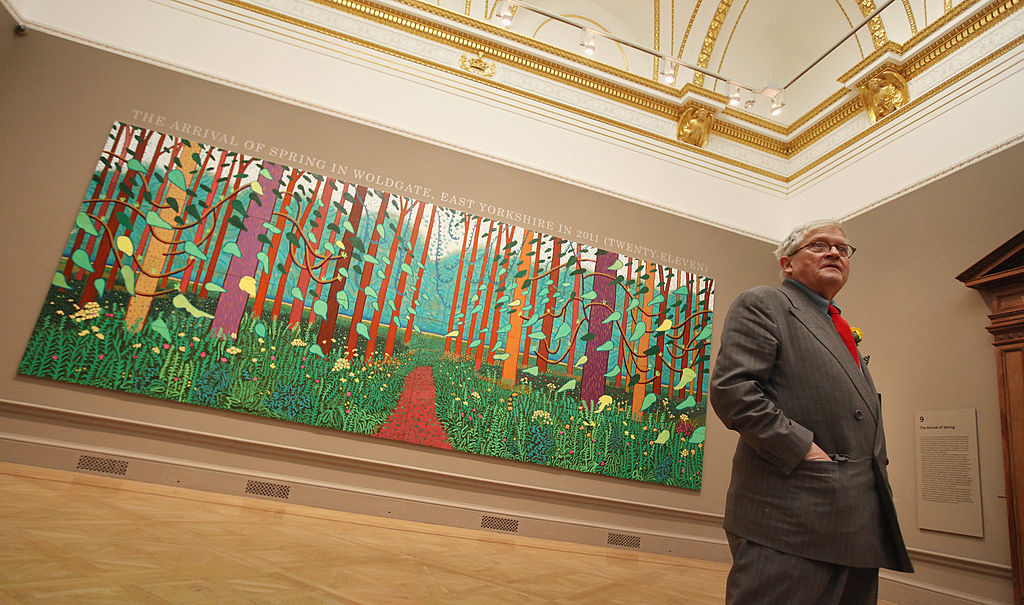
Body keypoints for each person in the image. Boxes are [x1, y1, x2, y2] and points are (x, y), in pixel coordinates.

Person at [710, 219, 913, 604]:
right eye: (819, 245)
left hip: (858, 523)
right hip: (790, 519)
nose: (835, 251)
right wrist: (805, 451)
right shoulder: (765, 302)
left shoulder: (836, 324)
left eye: (842, 248)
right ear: (787, 263)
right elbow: (734, 391)